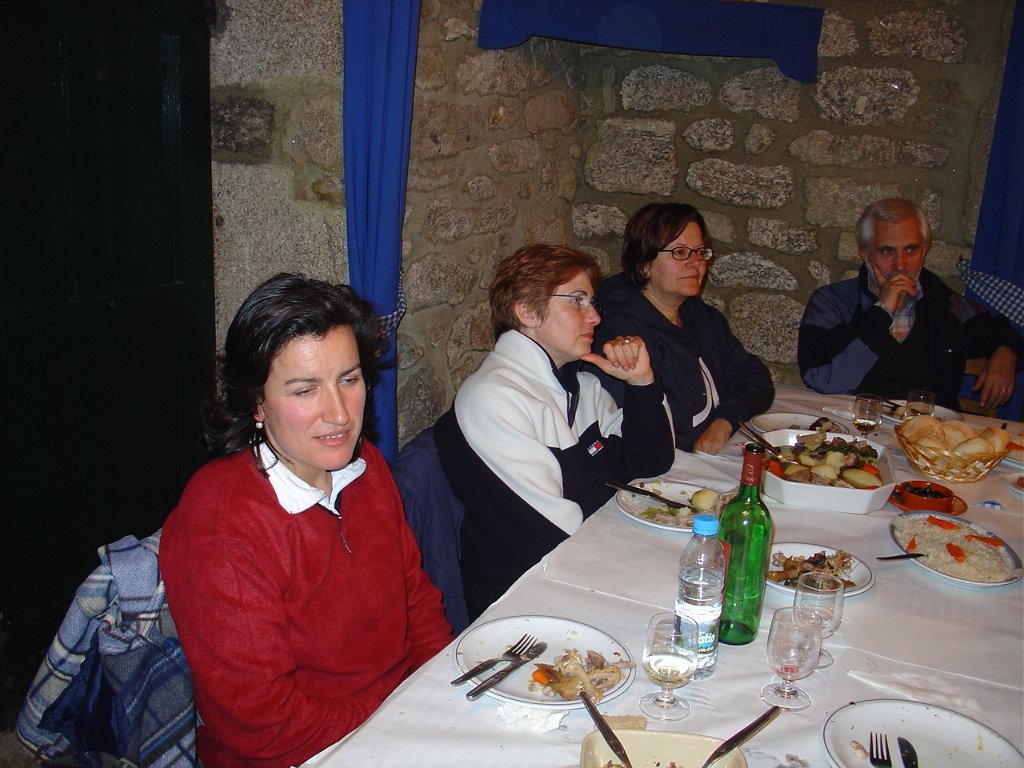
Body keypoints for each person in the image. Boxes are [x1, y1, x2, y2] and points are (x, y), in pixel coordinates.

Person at [159, 274, 451, 768]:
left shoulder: (366, 467)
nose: (338, 414)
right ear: (256, 402)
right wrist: (402, 713)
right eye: (304, 390)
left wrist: (443, 686)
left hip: (401, 714)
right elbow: (266, 726)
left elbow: (416, 598)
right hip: (305, 752)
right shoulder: (222, 529)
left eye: (349, 380)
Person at [434, 244, 675, 620]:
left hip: (581, 578)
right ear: (528, 312)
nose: (595, 316)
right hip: (526, 605)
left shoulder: (581, 386)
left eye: (592, 302)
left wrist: (642, 383)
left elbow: (649, 462)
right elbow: (551, 535)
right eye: (577, 301)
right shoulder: (494, 399)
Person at [799, 198, 1023, 411]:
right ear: (864, 253)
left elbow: (1001, 333)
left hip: (926, 430)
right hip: (850, 423)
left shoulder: (945, 304)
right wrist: (882, 310)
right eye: (886, 251)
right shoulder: (833, 302)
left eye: (910, 250)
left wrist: (1007, 353)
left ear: (924, 251)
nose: (901, 265)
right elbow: (823, 380)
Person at [591, 202, 774, 454]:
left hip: (713, 452)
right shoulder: (616, 331)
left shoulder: (701, 316)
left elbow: (753, 377)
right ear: (644, 264)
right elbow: (645, 427)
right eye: (679, 252)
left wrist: (725, 421)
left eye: (700, 252)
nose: (695, 263)